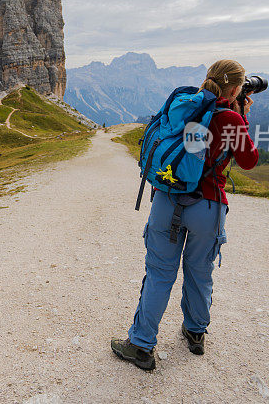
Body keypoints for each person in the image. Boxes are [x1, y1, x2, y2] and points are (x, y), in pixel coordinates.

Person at [111, 59, 259, 371]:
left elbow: (189, 146)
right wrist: (242, 116)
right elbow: (248, 160)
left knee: (160, 272)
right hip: (207, 207)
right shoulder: (231, 117)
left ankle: (140, 345)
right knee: (199, 271)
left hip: (167, 200)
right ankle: (195, 331)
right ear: (236, 89)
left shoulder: (187, 106)